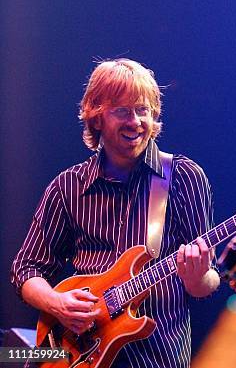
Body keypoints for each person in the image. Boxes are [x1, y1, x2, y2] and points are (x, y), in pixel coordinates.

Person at [11, 58, 220, 368]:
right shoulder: (68, 186)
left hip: (158, 359)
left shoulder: (183, 177)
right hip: (78, 355)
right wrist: (57, 303)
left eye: (143, 110)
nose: (135, 121)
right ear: (96, 118)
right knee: (11, 355)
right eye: (122, 111)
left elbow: (207, 282)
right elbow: (26, 269)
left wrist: (198, 276)